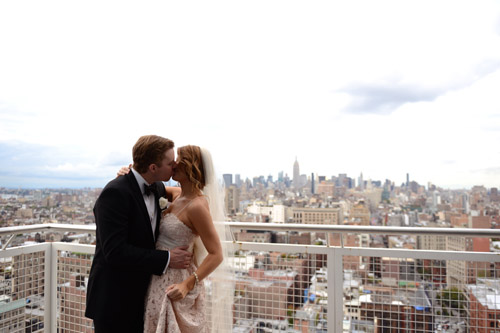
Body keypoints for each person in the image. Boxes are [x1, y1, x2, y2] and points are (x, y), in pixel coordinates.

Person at [119, 145, 233, 332]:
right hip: (157, 274)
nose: (174, 163)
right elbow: (149, 185)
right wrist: (128, 172)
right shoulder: (176, 194)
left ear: (192, 167)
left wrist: (187, 285)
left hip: (176, 278)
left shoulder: (197, 206)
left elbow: (216, 253)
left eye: (180, 159)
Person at [85, 135, 193, 333]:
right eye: (170, 162)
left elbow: (188, 195)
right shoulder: (115, 193)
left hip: (144, 295)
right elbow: (115, 251)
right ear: (153, 167)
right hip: (114, 299)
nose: (175, 165)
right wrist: (168, 258)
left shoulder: (159, 188)